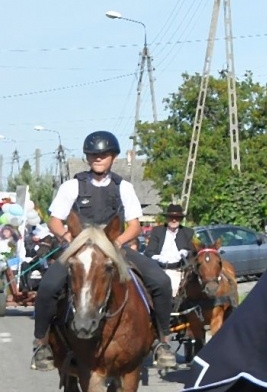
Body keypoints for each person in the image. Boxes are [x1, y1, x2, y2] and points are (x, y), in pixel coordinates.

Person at [31, 131, 177, 371]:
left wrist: (118, 242)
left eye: (103, 155)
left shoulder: (124, 187)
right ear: (88, 158)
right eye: (93, 155)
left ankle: (163, 342)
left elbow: (134, 225)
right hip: (79, 250)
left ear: (113, 157)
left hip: (113, 248)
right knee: (48, 286)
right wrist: (68, 237)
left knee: (160, 281)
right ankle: (42, 343)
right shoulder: (73, 185)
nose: (98, 158)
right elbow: (55, 220)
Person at [145, 203, 197, 284]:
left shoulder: (188, 232)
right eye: (171, 217)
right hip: (160, 269)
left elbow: (193, 252)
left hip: (179, 270)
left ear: (181, 219)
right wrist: (158, 257)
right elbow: (148, 252)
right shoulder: (157, 231)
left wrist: (185, 252)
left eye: (177, 218)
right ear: (166, 218)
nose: (174, 220)